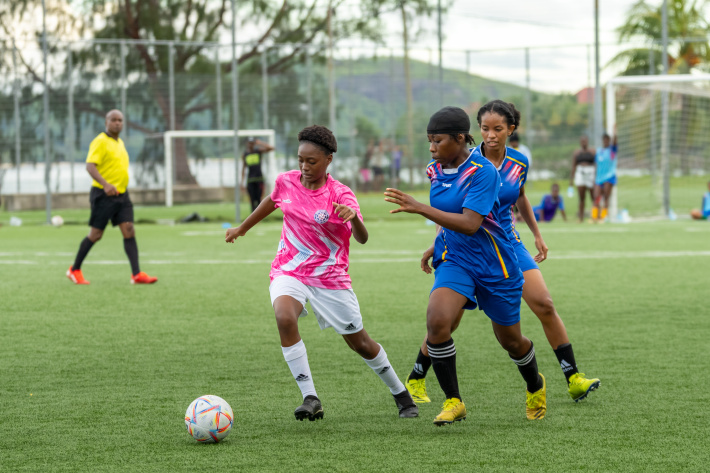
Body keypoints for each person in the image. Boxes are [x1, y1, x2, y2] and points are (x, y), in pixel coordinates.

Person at [403, 101, 599, 413]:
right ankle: (432, 386)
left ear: (511, 130)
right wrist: (435, 242)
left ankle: (562, 378)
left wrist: (536, 232)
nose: (491, 135)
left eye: (497, 128)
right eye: (485, 128)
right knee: (442, 319)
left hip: (504, 248)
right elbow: (455, 211)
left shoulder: (514, 164)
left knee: (534, 314)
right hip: (460, 252)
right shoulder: (448, 163)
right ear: (474, 132)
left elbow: (516, 197)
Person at [225, 125, 418, 421]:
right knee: (284, 317)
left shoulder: (340, 194)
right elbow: (271, 201)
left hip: (330, 279)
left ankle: (401, 395)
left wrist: (354, 220)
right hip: (289, 269)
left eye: (311, 161)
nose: (303, 167)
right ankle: (310, 397)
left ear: (328, 160)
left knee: (360, 343)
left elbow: (363, 239)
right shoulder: (286, 182)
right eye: (300, 159)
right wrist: (242, 228)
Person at [385, 106, 546, 425]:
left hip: (495, 264)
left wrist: (419, 208)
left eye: (438, 141)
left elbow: (472, 223)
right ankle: (454, 400)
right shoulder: (435, 169)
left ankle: (535, 384)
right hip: (455, 259)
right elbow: (448, 217)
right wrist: (435, 244)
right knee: (438, 321)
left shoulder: (484, 171)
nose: (431, 149)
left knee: (511, 342)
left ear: (460, 139)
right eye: (429, 141)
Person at [66, 109, 157, 285]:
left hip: (122, 195)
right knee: (96, 234)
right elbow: (90, 166)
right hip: (103, 195)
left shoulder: (120, 143)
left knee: (129, 229)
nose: (117, 123)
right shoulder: (100, 141)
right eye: (114, 120)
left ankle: (136, 275)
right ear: (106, 122)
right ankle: (74, 270)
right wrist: (106, 184)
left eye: (120, 120)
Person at [241, 137, 275, 212]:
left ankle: (259, 215)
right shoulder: (245, 154)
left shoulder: (258, 151)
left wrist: (260, 143)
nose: (251, 145)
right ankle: (252, 215)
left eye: (252, 143)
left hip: (259, 179)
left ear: (254, 143)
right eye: (250, 143)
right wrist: (242, 183)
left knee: (259, 199)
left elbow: (271, 148)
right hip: (250, 180)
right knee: (252, 200)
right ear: (247, 144)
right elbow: (243, 169)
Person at [592, 130, 618, 222]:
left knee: (606, 197)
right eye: (604, 139)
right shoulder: (599, 151)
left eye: (608, 140)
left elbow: (615, 143)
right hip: (599, 178)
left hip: (609, 177)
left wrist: (615, 133)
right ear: (602, 140)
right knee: (596, 197)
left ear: (609, 140)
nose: (606, 141)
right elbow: (596, 165)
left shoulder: (612, 150)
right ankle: (595, 217)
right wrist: (594, 178)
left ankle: (603, 218)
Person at [570, 135, 596, 223]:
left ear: (588, 141)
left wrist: (595, 177)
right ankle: (581, 217)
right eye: (582, 141)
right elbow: (573, 166)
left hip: (590, 173)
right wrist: (571, 181)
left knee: (593, 196)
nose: (584, 143)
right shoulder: (577, 153)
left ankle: (595, 216)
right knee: (581, 197)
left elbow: (596, 165)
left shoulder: (592, 151)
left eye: (585, 141)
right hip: (580, 173)